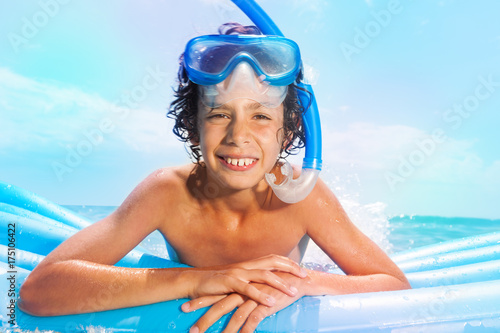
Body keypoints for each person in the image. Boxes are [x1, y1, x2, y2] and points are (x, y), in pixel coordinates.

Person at [19, 23, 410, 333]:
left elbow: (395, 286)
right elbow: (38, 291)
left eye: (260, 116)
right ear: (193, 126)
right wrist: (197, 280)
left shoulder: (300, 196)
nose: (238, 136)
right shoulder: (167, 192)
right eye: (219, 114)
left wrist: (302, 284)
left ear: (288, 131)